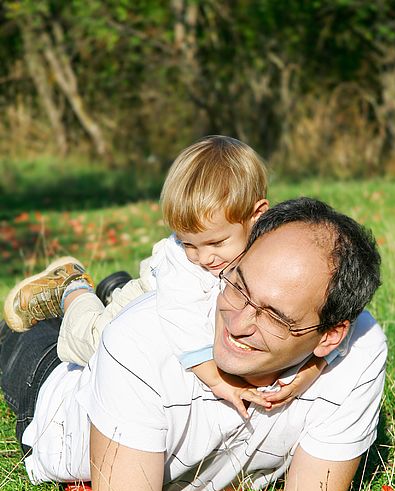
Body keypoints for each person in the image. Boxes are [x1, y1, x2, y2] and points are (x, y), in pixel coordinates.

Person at [0, 198, 387, 491]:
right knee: (20, 332)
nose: (237, 323)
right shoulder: (139, 340)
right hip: (53, 393)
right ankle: (78, 291)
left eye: (273, 316)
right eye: (238, 286)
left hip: (131, 356)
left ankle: (116, 291)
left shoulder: (359, 350)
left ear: (332, 336)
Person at [2, 135, 334, 419]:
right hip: (154, 292)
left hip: (162, 290)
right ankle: (71, 287)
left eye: (216, 242)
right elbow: (183, 323)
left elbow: (325, 303)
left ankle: (113, 287)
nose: (204, 258)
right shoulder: (185, 267)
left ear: (257, 214)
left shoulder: (275, 241)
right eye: (189, 243)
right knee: (92, 342)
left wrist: (310, 370)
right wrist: (220, 382)